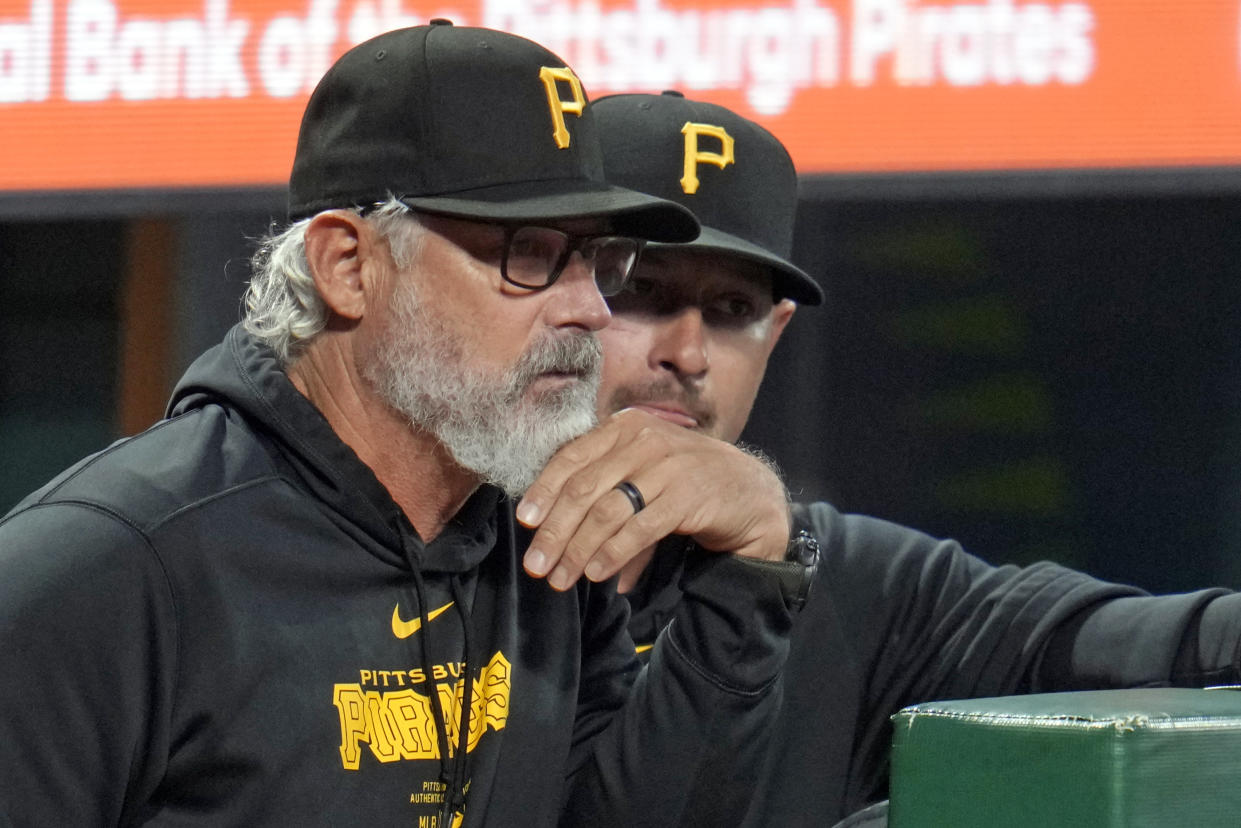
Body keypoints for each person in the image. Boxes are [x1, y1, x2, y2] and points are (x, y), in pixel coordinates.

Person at [0, 28, 817, 826]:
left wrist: (750, 573)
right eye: (528, 254)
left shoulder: (543, 547)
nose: (589, 309)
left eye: (594, 261)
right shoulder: (106, 569)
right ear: (348, 267)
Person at [588, 90, 1241, 826]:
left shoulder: (848, 583)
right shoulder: (458, 574)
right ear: (556, 294)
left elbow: (1134, 643)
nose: (687, 353)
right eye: (641, 292)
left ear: (774, 334)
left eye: (730, 310)